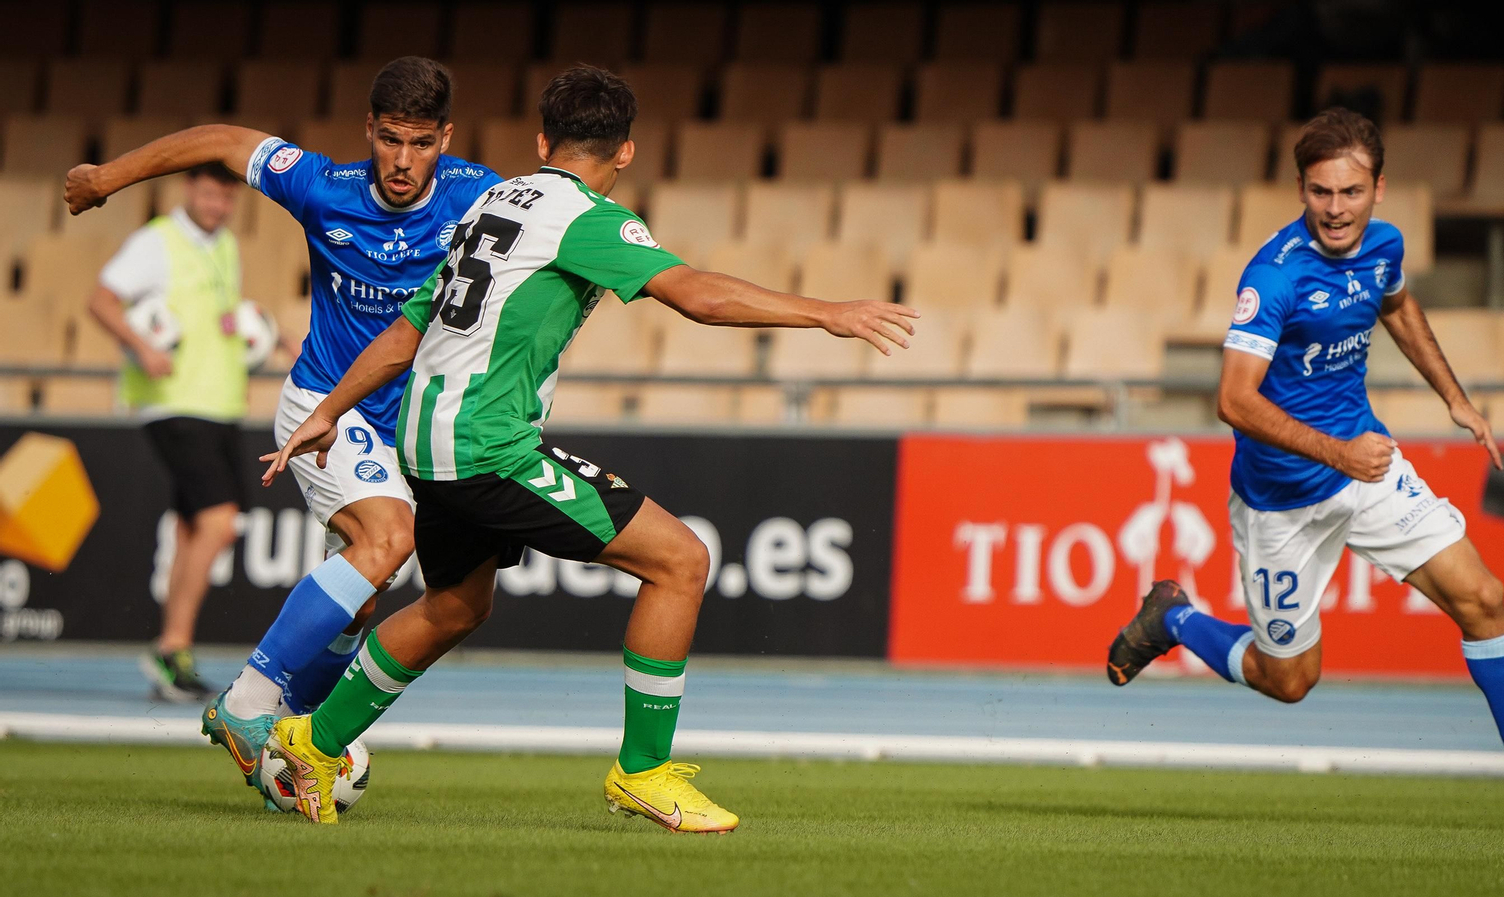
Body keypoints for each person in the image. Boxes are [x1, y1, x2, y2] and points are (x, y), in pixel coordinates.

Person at [260, 65, 920, 829]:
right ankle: (644, 771)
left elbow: (410, 327)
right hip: (485, 446)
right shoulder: (586, 217)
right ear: (627, 152)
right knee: (681, 560)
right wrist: (828, 313)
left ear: (543, 140)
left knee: (454, 605)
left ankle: (313, 739)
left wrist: (331, 410)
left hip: (422, 438)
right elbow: (698, 295)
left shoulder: (492, 202)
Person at [1106, 107, 1504, 830]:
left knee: (1484, 597)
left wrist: (1457, 400)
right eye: (1320, 192)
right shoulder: (1273, 276)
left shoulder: (1385, 245)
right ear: (1302, 190)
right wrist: (1338, 453)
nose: (1336, 209)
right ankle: (1174, 617)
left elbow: (1396, 306)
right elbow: (1232, 400)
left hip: (1367, 470)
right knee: (1290, 679)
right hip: (1281, 499)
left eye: (1350, 192)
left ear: (1378, 189)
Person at [64, 57, 503, 803]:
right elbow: (220, 138)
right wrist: (108, 177)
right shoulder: (321, 185)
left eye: (421, 143)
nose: (402, 162)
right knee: (388, 543)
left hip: (412, 427)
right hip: (325, 408)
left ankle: (298, 729)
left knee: (363, 597)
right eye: (390, 139)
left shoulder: (480, 196)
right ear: (368, 129)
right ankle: (246, 705)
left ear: (446, 139)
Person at [86, 162, 264, 701]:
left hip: (219, 402)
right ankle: (172, 646)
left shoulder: (225, 246)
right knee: (218, 521)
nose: (216, 206)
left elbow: (217, 317)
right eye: (209, 194)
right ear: (189, 189)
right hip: (173, 403)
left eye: (225, 198)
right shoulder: (156, 242)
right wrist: (142, 348)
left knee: (195, 527)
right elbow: (100, 300)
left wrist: (255, 333)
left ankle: (172, 650)